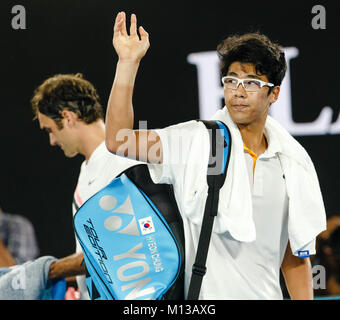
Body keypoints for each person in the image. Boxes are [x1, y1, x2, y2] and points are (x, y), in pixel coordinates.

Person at [104, 12, 327, 299]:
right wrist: (127, 63)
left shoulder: (292, 162)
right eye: (231, 80)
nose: (238, 91)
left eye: (251, 82)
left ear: (274, 94)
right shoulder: (196, 140)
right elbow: (118, 140)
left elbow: (294, 258)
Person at [31, 73, 139, 299]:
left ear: (67, 117)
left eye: (50, 129)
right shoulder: (87, 169)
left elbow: (112, 251)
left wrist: (40, 272)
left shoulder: (121, 161)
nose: (52, 141)